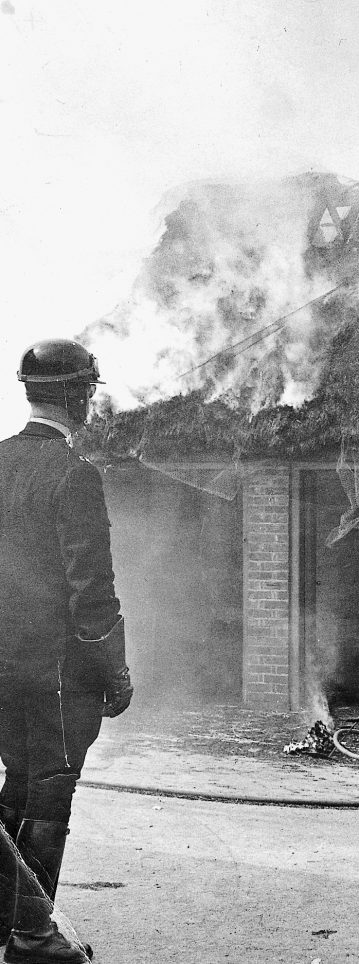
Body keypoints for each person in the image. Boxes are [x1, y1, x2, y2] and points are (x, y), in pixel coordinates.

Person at [0, 340, 134, 962]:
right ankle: (32, 936)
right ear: (79, 396)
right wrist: (116, 669)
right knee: (49, 793)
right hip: (58, 673)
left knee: (17, 790)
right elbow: (91, 588)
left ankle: (12, 925)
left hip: (1, 668)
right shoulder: (74, 475)